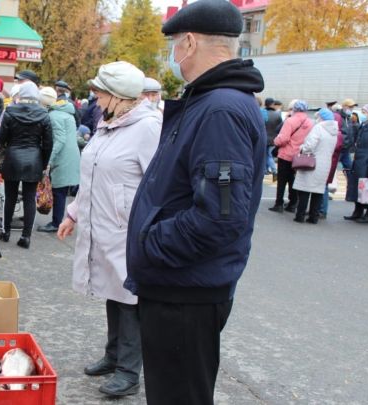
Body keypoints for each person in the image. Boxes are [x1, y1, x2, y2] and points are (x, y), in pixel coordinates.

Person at [124, 1, 266, 403]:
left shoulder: (221, 109)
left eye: (174, 45)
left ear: (188, 42)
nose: (173, 56)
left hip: (185, 290)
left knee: (180, 396)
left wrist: (151, 242)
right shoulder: (210, 101)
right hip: (179, 283)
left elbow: (220, 218)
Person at [57, 62, 161, 397]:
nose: (96, 97)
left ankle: (130, 372)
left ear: (118, 96)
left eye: (101, 92)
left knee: (130, 297)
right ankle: (114, 355)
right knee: (111, 292)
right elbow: (92, 177)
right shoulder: (108, 123)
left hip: (127, 229)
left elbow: (160, 184)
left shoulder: (147, 127)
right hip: (102, 224)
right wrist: (73, 213)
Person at [0, 82, 53, 248]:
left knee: (10, 197)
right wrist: (43, 163)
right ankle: (26, 236)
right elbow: (48, 143)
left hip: (12, 157)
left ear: (20, 95)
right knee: (29, 198)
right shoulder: (44, 114)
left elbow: (0, 138)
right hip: (34, 159)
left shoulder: (10, 111)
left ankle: (6, 231)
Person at [37, 87, 80, 233]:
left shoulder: (54, 116)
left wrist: (49, 159)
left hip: (63, 158)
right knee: (61, 190)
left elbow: (59, 140)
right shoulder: (66, 113)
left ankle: (56, 223)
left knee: (59, 191)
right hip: (71, 156)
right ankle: (58, 220)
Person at [292, 109, 339, 224]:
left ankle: (300, 216)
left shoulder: (319, 128)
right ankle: (314, 217)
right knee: (318, 191)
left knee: (304, 190)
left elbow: (310, 146)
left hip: (312, 162)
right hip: (325, 164)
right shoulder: (334, 130)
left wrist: (302, 148)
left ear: (321, 117)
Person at [270, 100, 313, 212]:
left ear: (294, 108)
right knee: (294, 180)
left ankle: (279, 203)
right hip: (300, 155)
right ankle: (292, 203)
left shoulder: (290, 121)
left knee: (282, 180)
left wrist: (275, 141)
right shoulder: (310, 122)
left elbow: (283, 139)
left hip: (286, 154)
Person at [344, 104, 368, 223]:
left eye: (365, 112)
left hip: (367, 161)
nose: (363, 114)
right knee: (357, 186)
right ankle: (358, 211)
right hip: (359, 160)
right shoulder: (363, 125)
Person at [264, 97, 282, 181]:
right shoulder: (277, 115)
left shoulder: (262, 113)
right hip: (273, 138)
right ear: (272, 104)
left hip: (263, 138)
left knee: (266, 155)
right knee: (269, 155)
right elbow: (280, 127)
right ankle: (271, 171)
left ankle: (268, 170)